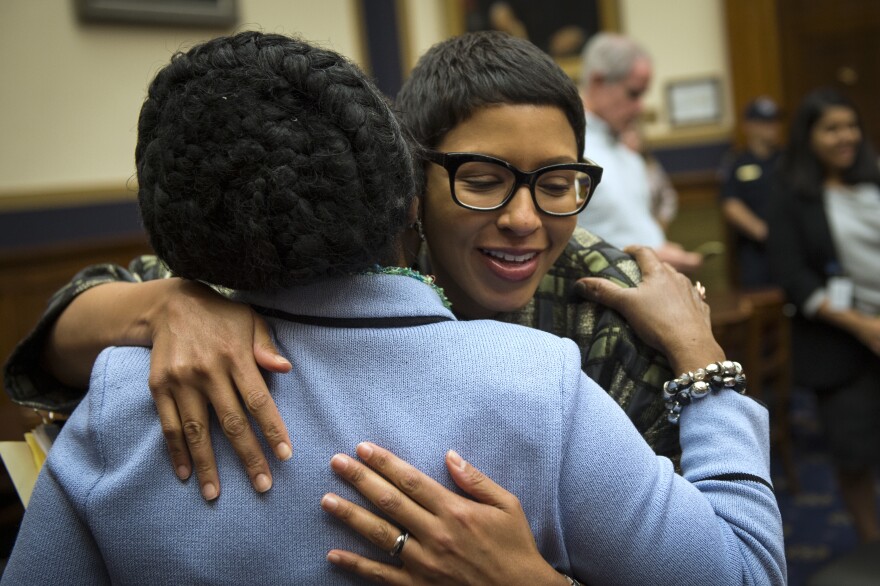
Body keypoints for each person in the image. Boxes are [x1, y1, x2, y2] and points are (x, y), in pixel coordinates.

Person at [2, 31, 785, 585]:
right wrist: (165, 308)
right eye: (483, 177)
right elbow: (60, 336)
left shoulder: (607, 309)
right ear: (406, 183)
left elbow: (703, 557)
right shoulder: (274, 263)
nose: (524, 217)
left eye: (558, 182)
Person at [767, 87, 880, 543]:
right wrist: (864, 327)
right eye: (832, 128)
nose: (845, 136)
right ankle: (872, 546)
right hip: (839, 345)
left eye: (851, 125)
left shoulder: (874, 179)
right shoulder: (791, 194)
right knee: (853, 454)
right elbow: (793, 275)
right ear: (809, 136)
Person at [576, 32, 702, 273]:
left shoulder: (626, 150)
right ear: (598, 82)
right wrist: (647, 257)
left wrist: (659, 249)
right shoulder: (569, 148)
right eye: (633, 93)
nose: (641, 106)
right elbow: (562, 243)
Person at [720, 96, 783, 288]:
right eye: (764, 122)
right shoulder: (737, 162)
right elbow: (730, 204)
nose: (772, 127)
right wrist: (763, 232)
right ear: (749, 126)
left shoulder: (788, 160)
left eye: (775, 121)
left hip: (791, 245)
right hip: (756, 250)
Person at [619, 120, 678, 231]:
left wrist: (662, 221)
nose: (632, 138)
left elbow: (668, 196)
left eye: (635, 133)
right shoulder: (613, 167)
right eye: (627, 134)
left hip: (653, 227)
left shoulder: (651, 165)